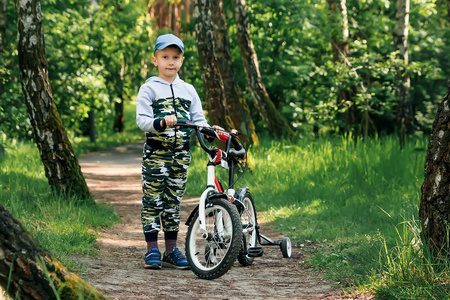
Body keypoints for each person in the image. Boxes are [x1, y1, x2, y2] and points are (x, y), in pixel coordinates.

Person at [136, 34, 211, 270]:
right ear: (155, 59)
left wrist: (210, 130)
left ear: (182, 61)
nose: (171, 62)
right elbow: (142, 120)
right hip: (156, 156)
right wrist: (161, 122)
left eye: (175, 57)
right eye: (165, 57)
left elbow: (199, 120)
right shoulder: (149, 88)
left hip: (180, 157)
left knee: (173, 203)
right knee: (152, 202)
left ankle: (171, 250)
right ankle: (151, 250)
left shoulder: (188, 90)